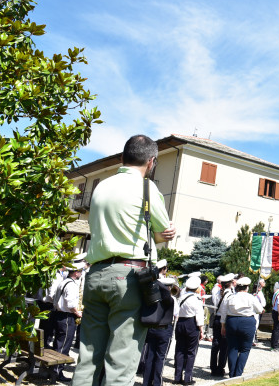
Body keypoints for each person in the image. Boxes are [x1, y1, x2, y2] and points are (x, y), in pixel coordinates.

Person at [71, 135, 175, 386]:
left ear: (122, 158)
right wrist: (167, 234)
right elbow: (162, 231)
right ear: (151, 162)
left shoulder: (101, 186)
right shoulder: (147, 188)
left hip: (96, 273)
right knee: (121, 359)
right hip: (128, 276)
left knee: (88, 356)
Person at [220, 276, 264, 378]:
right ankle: (238, 374)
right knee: (245, 349)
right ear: (247, 288)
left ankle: (232, 374)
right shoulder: (251, 297)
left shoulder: (230, 297)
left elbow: (223, 312)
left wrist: (223, 325)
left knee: (232, 348)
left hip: (232, 321)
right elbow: (259, 310)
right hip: (247, 322)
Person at [142, 277, 179, 386]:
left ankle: (146, 382)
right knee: (160, 358)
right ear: (169, 287)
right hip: (164, 329)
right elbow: (176, 313)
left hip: (152, 328)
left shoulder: (150, 297)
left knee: (150, 356)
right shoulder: (172, 299)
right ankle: (157, 383)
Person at [52, 261, 85, 381]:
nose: (81, 273)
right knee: (63, 345)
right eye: (80, 271)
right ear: (75, 272)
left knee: (59, 343)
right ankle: (57, 371)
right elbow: (70, 303)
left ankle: (54, 369)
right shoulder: (71, 284)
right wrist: (78, 312)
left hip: (60, 315)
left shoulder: (64, 281)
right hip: (66, 316)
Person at [174, 275, 204, 385]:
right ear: (196, 288)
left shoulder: (181, 297)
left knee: (180, 350)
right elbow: (199, 316)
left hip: (180, 323)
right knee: (191, 352)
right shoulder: (197, 299)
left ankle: (177, 377)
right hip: (192, 324)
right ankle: (188, 378)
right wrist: (201, 330)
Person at [210, 273, 235, 376]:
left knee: (215, 344)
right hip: (224, 320)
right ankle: (220, 368)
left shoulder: (217, 293)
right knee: (224, 345)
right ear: (230, 283)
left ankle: (213, 367)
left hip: (217, 318)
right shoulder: (230, 295)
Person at [253, 279, 266, 345]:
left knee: (255, 326)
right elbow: (262, 303)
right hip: (256, 312)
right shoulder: (256, 295)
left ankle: (253, 339)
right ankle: (252, 340)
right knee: (255, 326)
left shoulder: (256, 294)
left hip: (257, 311)